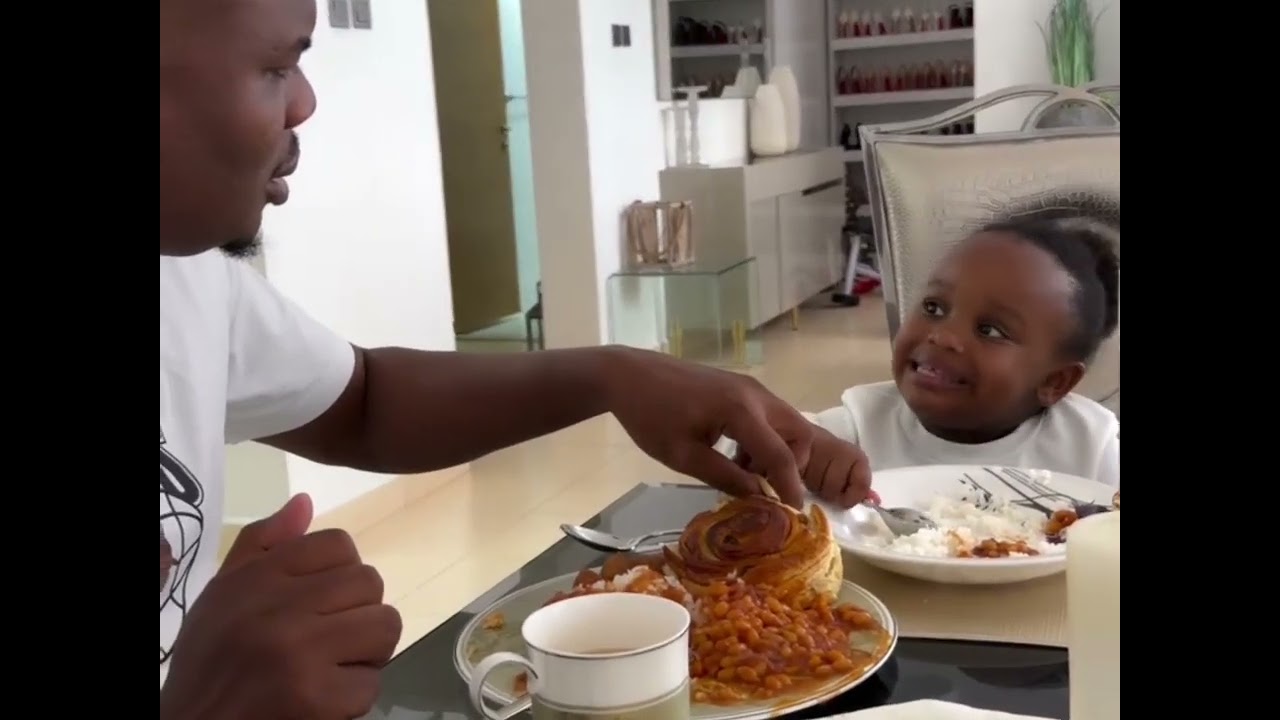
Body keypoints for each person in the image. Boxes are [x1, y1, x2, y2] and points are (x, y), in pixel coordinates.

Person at [158, 0, 872, 716]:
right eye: (279, 67)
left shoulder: (190, 279)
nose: (307, 102)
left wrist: (617, 375)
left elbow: (362, 403)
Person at [798, 215, 1121, 500]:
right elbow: (768, 447)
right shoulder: (860, 425)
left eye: (990, 330)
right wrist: (802, 455)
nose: (943, 336)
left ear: (1055, 381)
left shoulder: (1088, 446)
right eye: (934, 308)